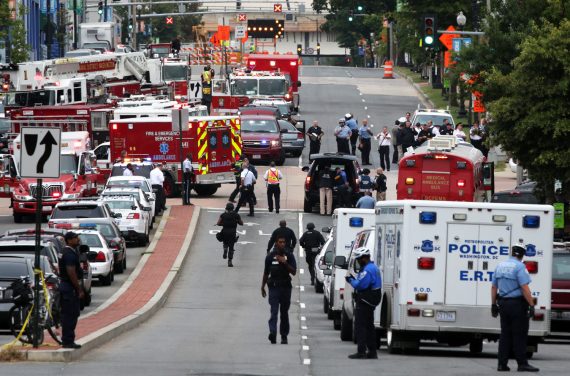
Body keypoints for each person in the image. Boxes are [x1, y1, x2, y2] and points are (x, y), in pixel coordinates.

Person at [491, 244, 539, 372]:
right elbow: (524, 287)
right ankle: (522, 364)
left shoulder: (499, 266)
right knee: (519, 335)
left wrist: (493, 304)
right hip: (517, 305)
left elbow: (494, 287)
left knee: (505, 335)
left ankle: (502, 364)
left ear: (512, 253)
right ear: (522, 254)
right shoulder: (520, 267)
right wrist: (531, 305)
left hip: (503, 304)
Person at [345, 247, 382, 359]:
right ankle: (372, 351)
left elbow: (360, 285)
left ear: (364, 258)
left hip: (366, 299)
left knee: (360, 326)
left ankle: (361, 351)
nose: (358, 261)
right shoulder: (373, 267)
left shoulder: (367, 270)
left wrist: (350, 280)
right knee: (369, 326)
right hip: (371, 300)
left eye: (358, 259)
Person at [261, 235, 297, 345]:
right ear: (276, 243)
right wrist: (262, 286)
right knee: (274, 311)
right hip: (274, 287)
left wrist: (284, 263)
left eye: (284, 242)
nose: (282, 244)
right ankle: (272, 333)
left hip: (286, 287)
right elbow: (266, 273)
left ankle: (284, 336)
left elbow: (294, 272)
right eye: (280, 242)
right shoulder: (270, 256)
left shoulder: (289, 255)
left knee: (284, 312)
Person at [58, 231, 85, 349]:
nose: (78, 239)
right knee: (70, 314)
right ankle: (68, 341)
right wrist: (78, 289)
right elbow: (71, 272)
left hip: (67, 286)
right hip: (69, 287)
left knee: (72, 314)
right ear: (69, 240)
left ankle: (68, 340)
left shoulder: (68, 252)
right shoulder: (69, 254)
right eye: (75, 238)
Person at [217, 203, 243, 267]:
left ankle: (225, 249)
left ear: (226, 208)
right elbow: (241, 223)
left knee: (225, 242)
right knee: (231, 247)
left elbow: (218, 223)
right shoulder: (236, 215)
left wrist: (223, 223)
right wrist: (237, 221)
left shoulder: (223, 215)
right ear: (233, 208)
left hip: (225, 232)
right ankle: (230, 261)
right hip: (232, 233)